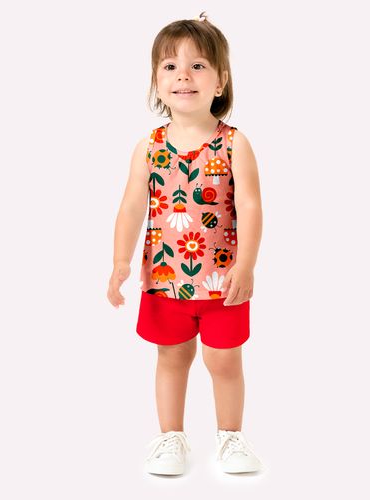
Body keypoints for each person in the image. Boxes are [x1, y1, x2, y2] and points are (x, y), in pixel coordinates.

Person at [107, 11, 264, 476]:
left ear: (220, 81)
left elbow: (251, 207)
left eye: (198, 66)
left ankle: (231, 436)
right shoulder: (149, 147)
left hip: (224, 282)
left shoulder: (234, 144)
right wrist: (120, 260)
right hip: (165, 279)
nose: (183, 76)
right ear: (157, 82)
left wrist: (246, 265)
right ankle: (170, 437)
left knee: (224, 361)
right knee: (171, 358)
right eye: (170, 66)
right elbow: (131, 206)